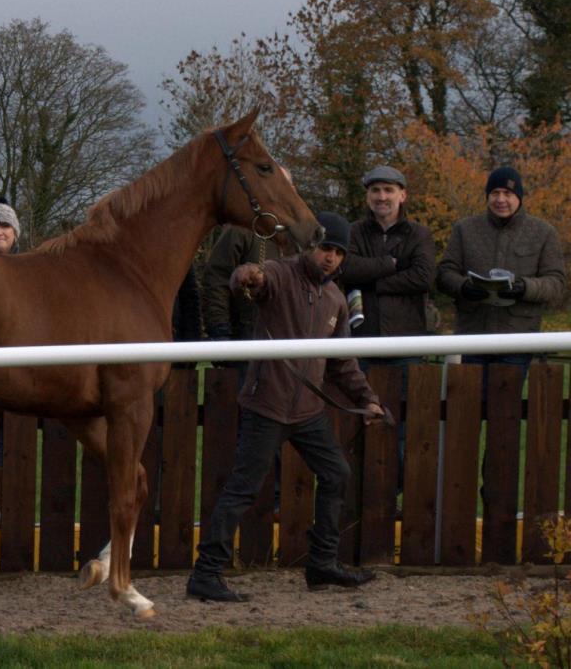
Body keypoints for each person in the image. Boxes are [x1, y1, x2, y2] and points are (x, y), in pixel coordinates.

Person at [186, 212, 385, 602]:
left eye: (338, 252)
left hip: (308, 412)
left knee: (336, 473)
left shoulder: (335, 299)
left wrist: (368, 399)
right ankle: (205, 574)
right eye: (325, 248)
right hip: (267, 405)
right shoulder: (280, 273)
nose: (330, 257)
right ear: (310, 246)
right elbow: (251, 280)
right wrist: (246, 275)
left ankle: (322, 563)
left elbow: (343, 362)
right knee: (243, 489)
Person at [436, 166, 566, 372]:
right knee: (467, 393)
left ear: (519, 197)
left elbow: (556, 283)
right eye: (495, 193)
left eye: (508, 193)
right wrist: (464, 287)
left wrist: (525, 288)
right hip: (471, 335)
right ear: (487, 196)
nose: (500, 199)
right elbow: (445, 273)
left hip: (518, 338)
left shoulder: (544, 232)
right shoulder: (464, 229)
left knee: (506, 394)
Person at [341, 165, 435, 342]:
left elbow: (423, 277)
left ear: (402, 195)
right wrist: (390, 264)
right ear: (368, 196)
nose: (382, 197)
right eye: (375, 190)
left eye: (388, 190)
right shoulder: (353, 231)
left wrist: (373, 284)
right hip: (362, 336)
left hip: (408, 336)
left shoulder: (419, 234)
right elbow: (346, 268)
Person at [201, 225, 282, 376]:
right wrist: (220, 331)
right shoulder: (241, 230)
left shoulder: (297, 233)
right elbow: (217, 280)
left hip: (286, 343)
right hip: (244, 341)